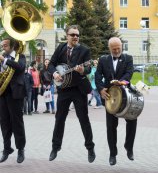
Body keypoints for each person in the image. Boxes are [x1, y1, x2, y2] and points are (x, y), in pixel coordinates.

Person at [48, 25, 95, 163]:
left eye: (77, 35)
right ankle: (55, 147)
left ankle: (90, 148)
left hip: (78, 89)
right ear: (67, 36)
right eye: (73, 34)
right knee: (59, 119)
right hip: (63, 89)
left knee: (83, 119)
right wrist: (55, 73)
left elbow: (88, 68)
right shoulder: (61, 48)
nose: (75, 37)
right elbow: (51, 64)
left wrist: (82, 71)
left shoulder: (84, 50)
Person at [95, 37, 137, 165]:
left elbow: (129, 73)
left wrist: (121, 82)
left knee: (132, 121)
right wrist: (101, 89)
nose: (117, 50)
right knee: (111, 127)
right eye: (114, 49)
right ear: (110, 49)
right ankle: (113, 153)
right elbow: (98, 75)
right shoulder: (103, 60)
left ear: (121, 46)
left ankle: (129, 147)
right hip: (110, 98)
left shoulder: (128, 58)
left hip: (125, 96)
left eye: (118, 48)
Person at [0, 37, 26, 163]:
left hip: (15, 93)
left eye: (5, 45)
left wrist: (4, 60)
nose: (3, 48)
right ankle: (6, 148)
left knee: (17, 122)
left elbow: (20, 68)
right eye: (2, 45)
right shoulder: (2, 56)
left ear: (11, 46)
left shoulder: (20, 56)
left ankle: (20, 149)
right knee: (4, 122)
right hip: (2, 92)